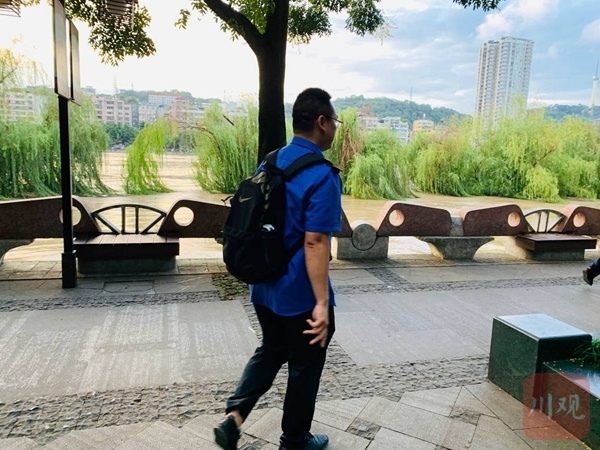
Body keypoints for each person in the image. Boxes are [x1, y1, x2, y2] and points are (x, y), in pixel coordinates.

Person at [213, 87, 342, 450]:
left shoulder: (270, 161)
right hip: (300, 293)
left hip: (263, 285)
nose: (335, 127)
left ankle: (234, 417)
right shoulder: (322, 174)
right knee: (305, 365)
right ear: (321, 122)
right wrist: (321, 303)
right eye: (335, 120)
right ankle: (295, 439)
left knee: (271, 348)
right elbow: (315, 241)